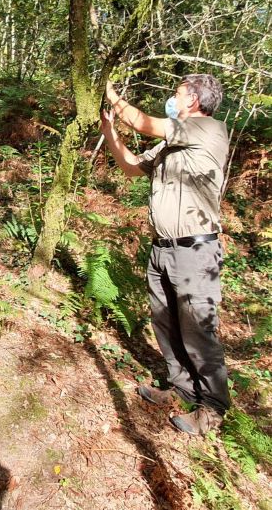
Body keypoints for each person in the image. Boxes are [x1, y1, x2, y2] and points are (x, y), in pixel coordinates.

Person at [101, 74, 230, 435]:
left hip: (195, 251)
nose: (171, 100)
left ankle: (212, 409)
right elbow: (129, 168)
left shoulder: (208, 129)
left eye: (176, 94)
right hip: (163, 248)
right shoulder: (172, 144)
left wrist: (109, 92)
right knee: (166, 322)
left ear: (192, 99)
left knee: (198, 330)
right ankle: (180, 388)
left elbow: (142, 122)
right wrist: (109, 131)